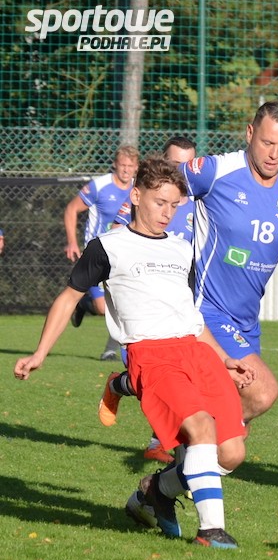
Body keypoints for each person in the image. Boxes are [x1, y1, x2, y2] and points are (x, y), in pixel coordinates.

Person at [14, 156, 253, 549]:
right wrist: (40, 353)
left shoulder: (182, 249)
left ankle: (155, 492)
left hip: (196, 353)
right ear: (137, 196)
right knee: (201, 430)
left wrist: (225, 358)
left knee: (231, 453)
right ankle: (211, 531)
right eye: (160, 202)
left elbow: (191, 317)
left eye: (174, 205)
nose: (167, 212)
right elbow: (68, 297)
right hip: (152, 355)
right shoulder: (108, 247)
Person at [175, 100, 278, 425]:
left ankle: (181, 451)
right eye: (267, 143)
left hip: (248, 321)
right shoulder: (216, 171)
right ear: (250, 133)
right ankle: (190, 435)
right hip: (206, 311)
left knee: (235, 437)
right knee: (262, 393)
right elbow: (156, 184)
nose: (274, 154)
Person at [101, 136, 198, 465]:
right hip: (145, 304)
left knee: (186, 379)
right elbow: (119, 238)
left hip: (181, 294)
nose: (180, 170)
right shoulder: (144, 200)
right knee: (155, 382)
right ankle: (120, 387)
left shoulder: (196, 201)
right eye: (174, 163)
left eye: (186, 164)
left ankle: (169, 448)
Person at [64, 145, 139, 360]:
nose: (126, 170)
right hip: (98, 254)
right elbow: (71, 209)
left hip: (124, 254)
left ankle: (110, 351)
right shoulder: (100, 186)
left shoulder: (138, 188)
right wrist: (72, 242)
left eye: (130, 166)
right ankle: (84, 304)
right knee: (102, 308)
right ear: (115, 164)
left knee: (126, 304)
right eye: (122, 165)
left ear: (136, 167)